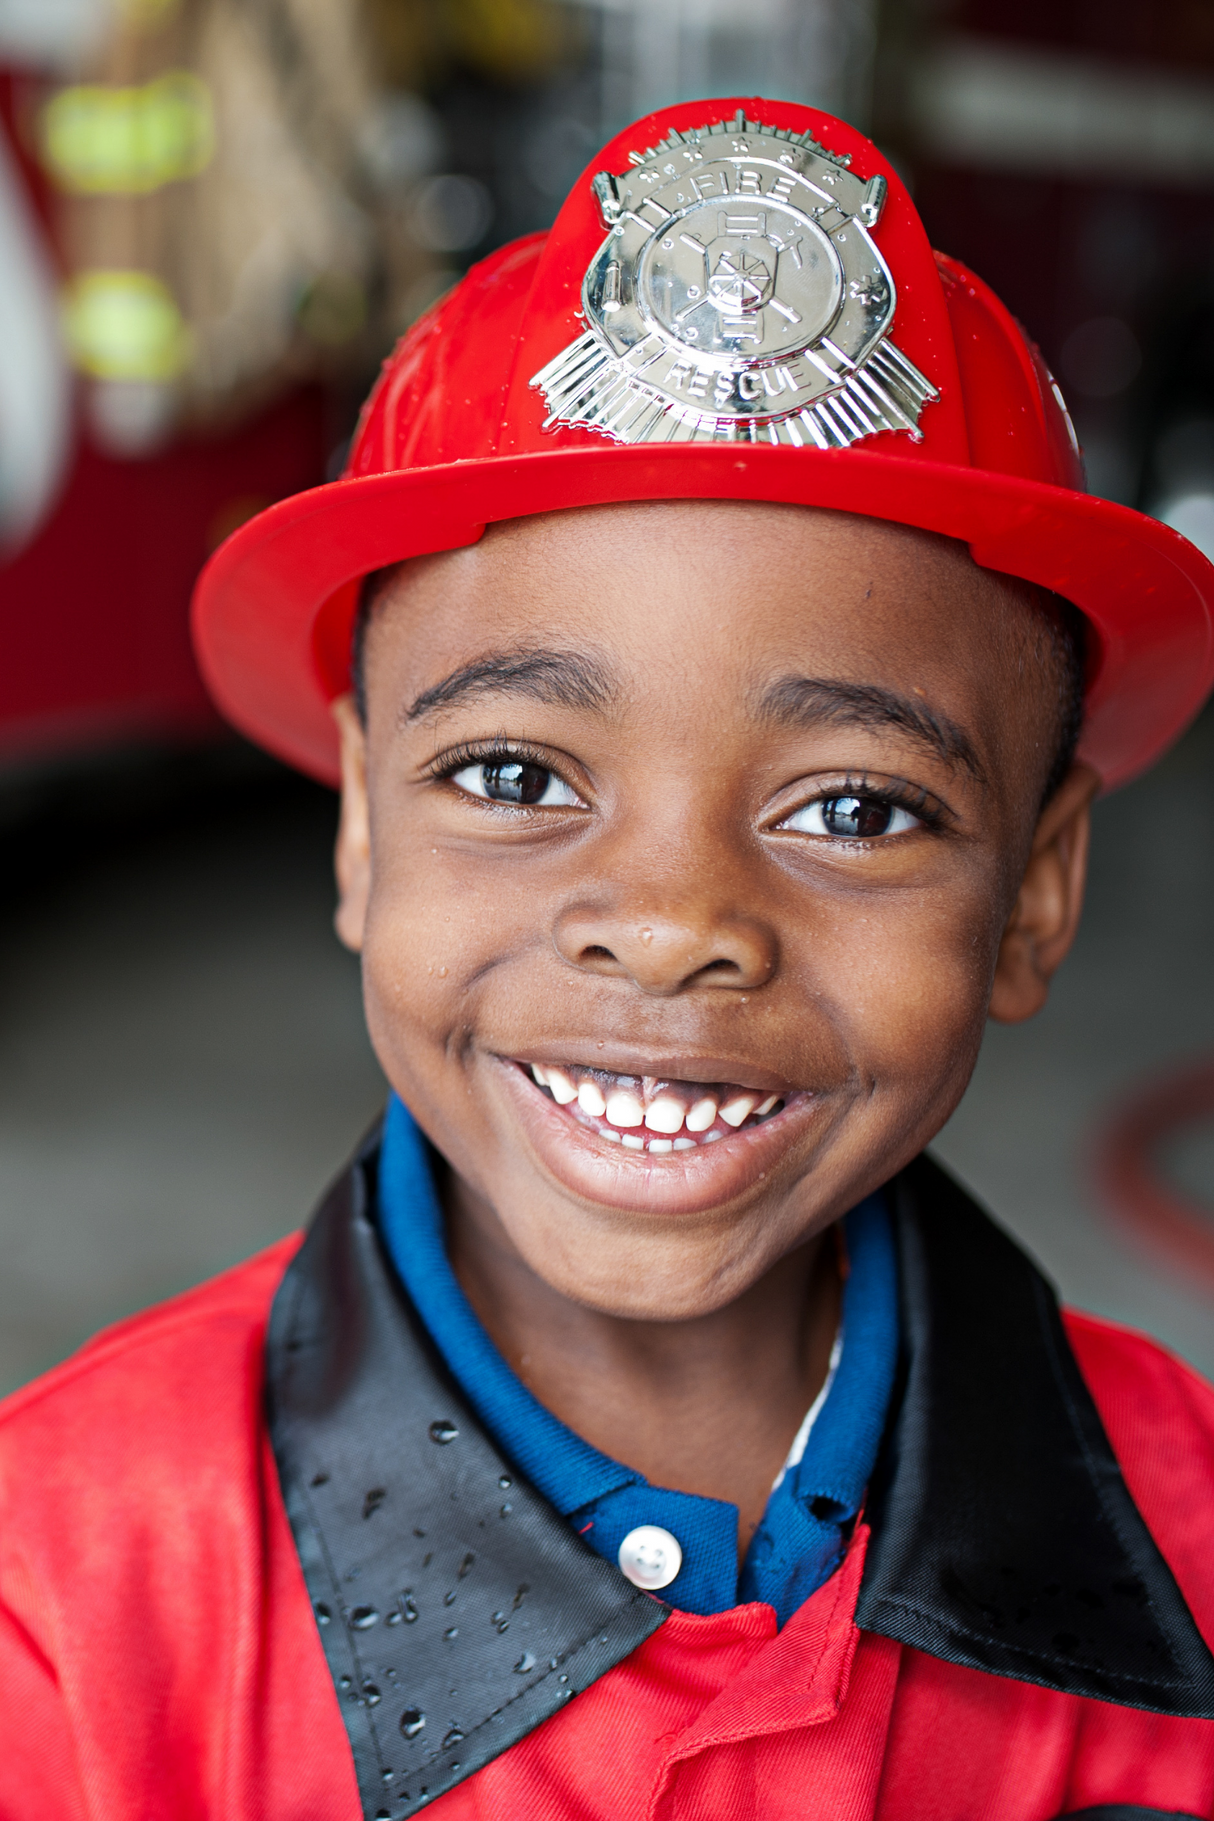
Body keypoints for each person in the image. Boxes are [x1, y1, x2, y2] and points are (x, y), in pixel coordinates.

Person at [3, 98, 1214, 1820]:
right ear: (360, 829)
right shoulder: (61, 1597)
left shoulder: (1184, 1540)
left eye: (856, 810)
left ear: (1031, 891)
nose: (667, 923)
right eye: (513, 779)